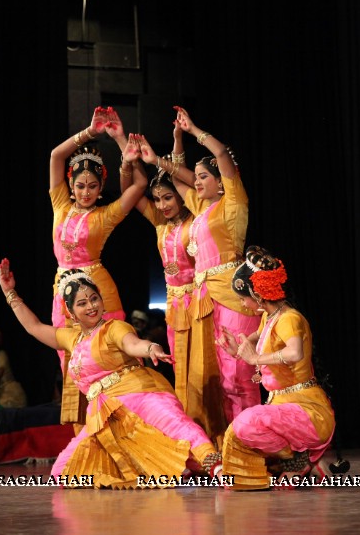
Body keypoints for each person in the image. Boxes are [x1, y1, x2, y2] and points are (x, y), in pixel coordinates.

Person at [0, 257, 221, 487]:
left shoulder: (113, 328)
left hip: (139, 396)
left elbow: (133, 344)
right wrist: (10, 294)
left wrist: (151, 348)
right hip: (105, 418)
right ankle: (167, 472)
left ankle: (218, 469)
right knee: (63, 473)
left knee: (176, 426)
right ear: (72, 312)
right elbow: (33, 327)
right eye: (82, 303)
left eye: (94, 299)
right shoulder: (72, 338)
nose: (91, 306)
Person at [139, 107, 259, 434]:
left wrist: (193, 130)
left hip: (232, 295)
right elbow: (178, 177)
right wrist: (163, 153)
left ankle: (254, 444)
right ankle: (228, 442)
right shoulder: (202, 207)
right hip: (205, 300)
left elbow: (219, 153)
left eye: (204, 176)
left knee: (239, 375)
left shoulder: (233, 202)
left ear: (222, 182)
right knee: (218, 375)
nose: (197, 180)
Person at [49, 107, 147, 425]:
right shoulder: (60, 203)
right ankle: (83, 435)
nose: (86, 192)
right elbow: (55, 156)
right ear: (70, 185)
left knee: (106, 356)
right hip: (62, 292)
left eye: (92, 186)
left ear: (100, 186)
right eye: (80, 186)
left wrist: (121, 142)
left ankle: (123, 425)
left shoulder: (104, 217)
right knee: (70, 359)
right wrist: (90, 132)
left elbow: (138, 186)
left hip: (96, 291)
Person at [131, 129, 229, 441]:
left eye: (167, 197)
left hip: (200, 302)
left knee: (205, 372)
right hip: (174, 308)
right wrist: (126, 151)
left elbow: (180, 175)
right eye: (157, 200)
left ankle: (215, 436)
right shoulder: (161, 225)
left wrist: (175, 143)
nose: (161, 205)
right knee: (182, 375)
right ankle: (191, 441)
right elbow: (133, 193)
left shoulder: (197, 220)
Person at [216, 246, 335, 490]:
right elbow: (256, 339)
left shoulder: (289, 318)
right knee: (245, 437)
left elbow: (294, 353)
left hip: (306, 411)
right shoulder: (269, 316)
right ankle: (304, 460)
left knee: (246, 424)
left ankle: (297, 460)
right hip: (283, 408)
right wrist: (237, 349)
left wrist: (255, 359)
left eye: (242, 297)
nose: (241, 303)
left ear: (257, 294)